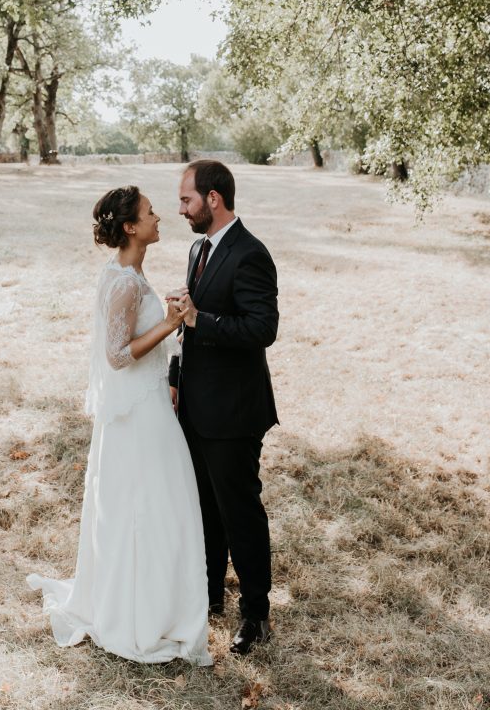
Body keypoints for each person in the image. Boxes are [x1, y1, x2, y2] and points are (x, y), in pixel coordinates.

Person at [27, 185, 212, 666]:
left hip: (147, 405)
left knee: (157, 506)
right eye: (150, 214)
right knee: (150, 508)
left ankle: (157, 604)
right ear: (130, 227)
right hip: (139, 416)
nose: (159, 218)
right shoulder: (125, 282)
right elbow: (115, 356)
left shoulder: (129, 272)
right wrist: (170, 324)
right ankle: (142, 614)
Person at [168, 160, 279, 656]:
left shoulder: (250, 254)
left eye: (187, 200)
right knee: (205, 509)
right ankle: (210, 594)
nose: (181, 209)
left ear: (214, 199)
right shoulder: (198, 247)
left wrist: (200, 319)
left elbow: (262, 330)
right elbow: (191, 324)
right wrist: (175, 378)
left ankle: (256, 614)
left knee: (240, 513)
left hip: (233, 412)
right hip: (195, 405)